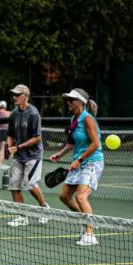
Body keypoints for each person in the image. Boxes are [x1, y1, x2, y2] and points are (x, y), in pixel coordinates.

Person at [49, 89, 104, 246]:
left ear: (80, 102)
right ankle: (89, 220)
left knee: (81, 197)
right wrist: (60, 154)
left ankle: (90, 234)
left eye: (71, 100)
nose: (68, 102)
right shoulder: (74, 118)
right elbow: (72, 143)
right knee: (64, 196)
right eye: (68, 99)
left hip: (92, 161)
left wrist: (79, 160)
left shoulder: (88, 119)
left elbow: (95, 144)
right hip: (79, 161)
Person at [5, 84, 50, 226]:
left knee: (30, 184)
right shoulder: (13, 113)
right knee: (14, 186)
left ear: (25, 96)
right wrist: (10, 147)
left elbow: (37, 138)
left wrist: (18, 147)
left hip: (33, 155)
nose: (14, 97)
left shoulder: (33, 113)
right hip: (18, 155)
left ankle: (45, 209)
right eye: (14, 94)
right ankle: (21, 216)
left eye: (17, 95)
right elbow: (10, 134)